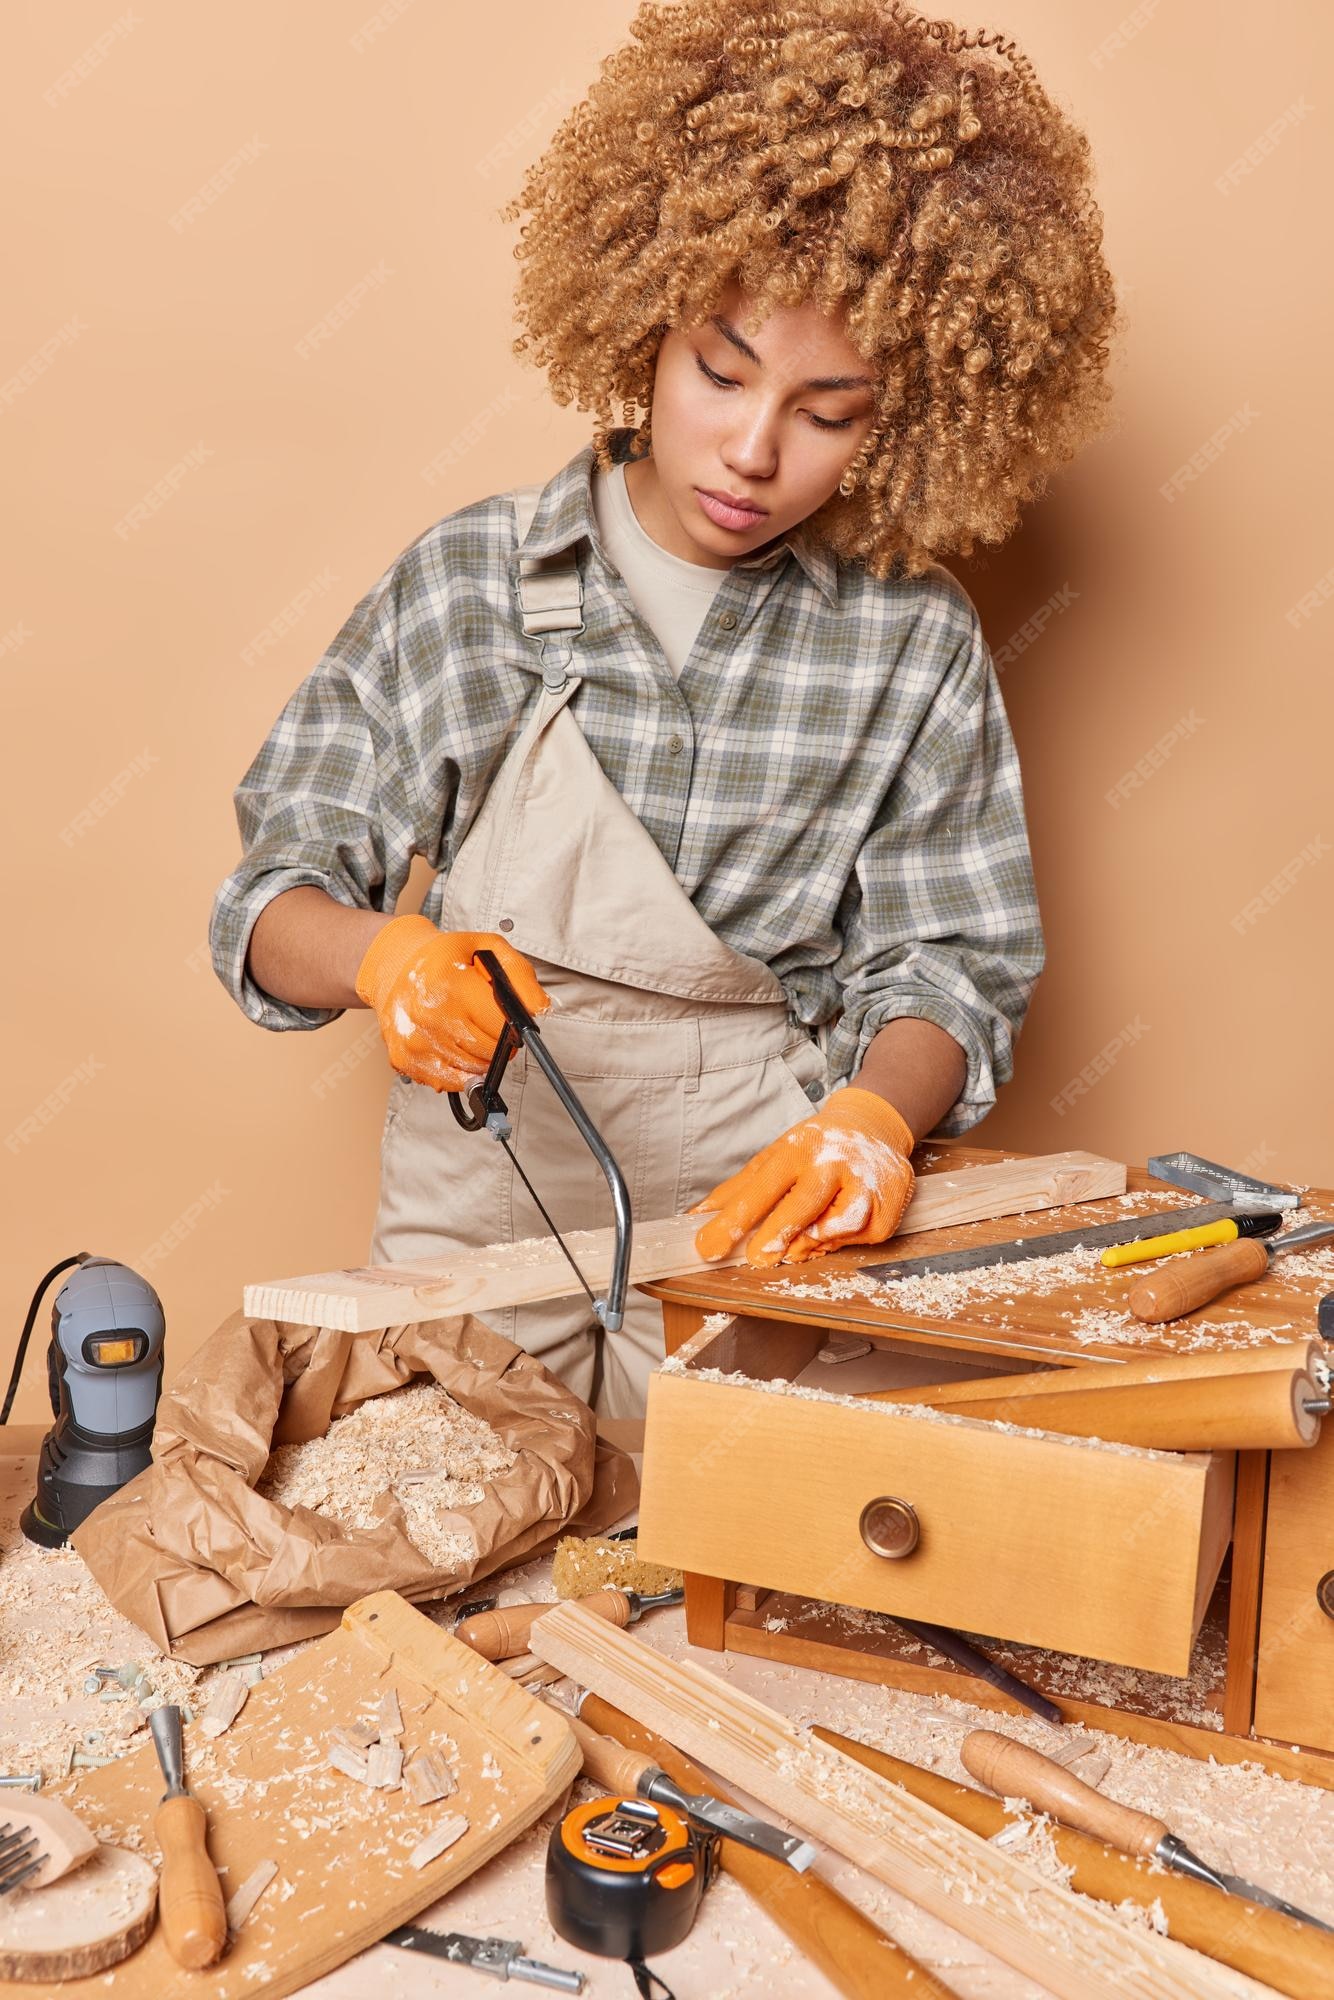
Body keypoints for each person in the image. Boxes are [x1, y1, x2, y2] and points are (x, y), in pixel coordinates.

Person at [210, 0, 1116, 1419]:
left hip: (750, 1227)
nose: (754, 450)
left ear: (920, 408)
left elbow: (949, 967)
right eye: (720, 372)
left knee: (705, 1598)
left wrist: (873, 1123)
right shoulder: (474, 582)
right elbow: (267, 900)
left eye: (831, 412)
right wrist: (388, 959)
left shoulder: (906, 637)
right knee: (452, 1545)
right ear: (638, 315)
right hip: (478, 1209)